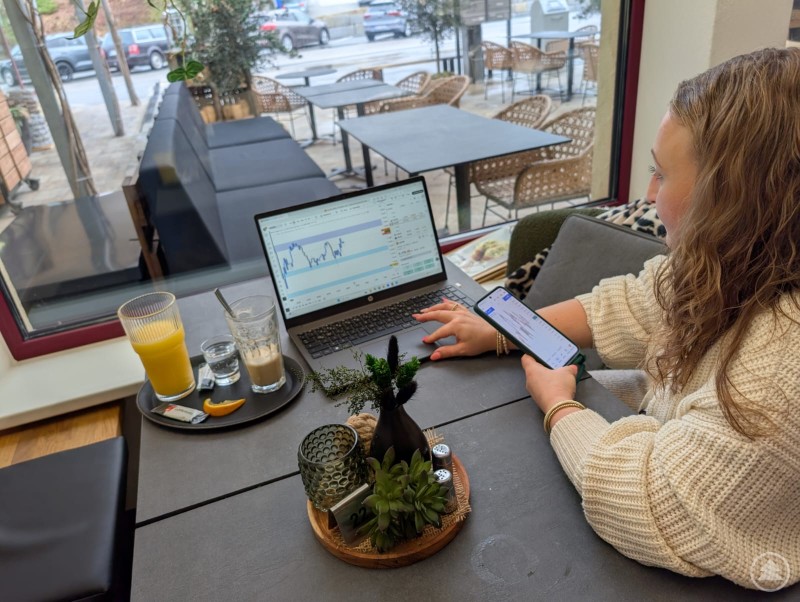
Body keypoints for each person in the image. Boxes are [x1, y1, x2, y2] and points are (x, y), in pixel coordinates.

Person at [414, 47, 800, 591]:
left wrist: (558, 403)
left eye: (662, 175)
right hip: (666, 434)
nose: (647, 195)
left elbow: (646, 500)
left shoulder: (778, 373)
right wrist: (504, 328)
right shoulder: (736, 262)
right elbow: (631, 303)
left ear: (733, 198)